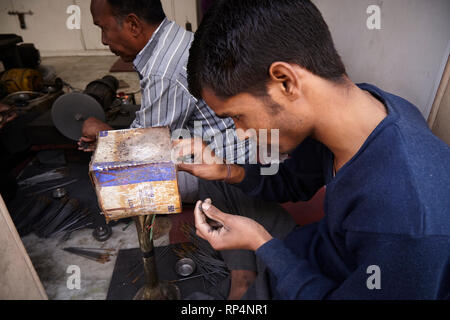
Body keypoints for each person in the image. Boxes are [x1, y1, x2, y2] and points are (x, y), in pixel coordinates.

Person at [176, 0, 450, 299]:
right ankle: (246, 278)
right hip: (309, 254)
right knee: (217, 182)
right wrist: (225, 170)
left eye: (237, 116)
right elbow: (294, 182)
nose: (241, 133)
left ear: (285, 81)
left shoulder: (409, 221)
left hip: (318, 284)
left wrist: (262, 244)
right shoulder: (359, 107)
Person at [82, 0, 251, 202]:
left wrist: (105, 134)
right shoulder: (176, 38)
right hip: (232, 151)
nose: (103, 40)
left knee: (114, 180)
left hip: (224, 169)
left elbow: (147, 151)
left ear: (133, 25)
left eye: (104, 28)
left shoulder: (163, 71)